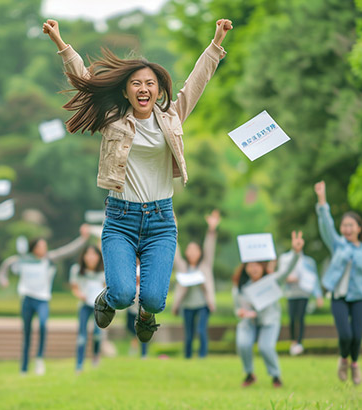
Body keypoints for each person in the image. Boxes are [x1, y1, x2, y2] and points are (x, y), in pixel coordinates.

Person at [43, 17, 233, 343]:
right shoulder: (112, 120)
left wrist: (216, 43)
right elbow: (84, 80)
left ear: (159, 90)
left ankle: (146, 316)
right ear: (126, 91)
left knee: (155, 300)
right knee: (120, 295)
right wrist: (61, 43)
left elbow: (197, 83)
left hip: (161, 221)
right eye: (136, 84)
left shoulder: (172, 117)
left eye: (150, 84)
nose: (143, 89)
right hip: (121, 219)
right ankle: (106, 298)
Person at [0, 225, 90, 375]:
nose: (43, 249)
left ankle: (39, 359)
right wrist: (2, 280)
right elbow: (6, 266)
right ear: (33, 248)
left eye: (44, 246)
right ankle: (24, 367)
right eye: (40, 246)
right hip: (27, 299)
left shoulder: (49, 259)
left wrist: (83, 239)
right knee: (26, 332)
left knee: (42, 325)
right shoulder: (23, 260)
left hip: (42, 300)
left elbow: (67, 250)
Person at [314, 181, 362, 385]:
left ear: (359, 228)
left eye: (351, 225)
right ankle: (344, 359)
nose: (347, 229)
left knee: (357, 337)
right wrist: (322, 200)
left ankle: (355, 364)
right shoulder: (337, 245)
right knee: (345, 335)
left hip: (361, 296)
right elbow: (326, 225)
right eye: (344, 225)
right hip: (339, 296)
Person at [233, 231, 304, 388]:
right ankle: (249, 374)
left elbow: (286, 271)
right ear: (245, 268)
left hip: (269, 320)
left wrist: (296, 253)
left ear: (263, 266)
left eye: (257, 265)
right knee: (243, 344)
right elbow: (237, 309)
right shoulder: (241, 287)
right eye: (250, 265)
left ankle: (275, 376)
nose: (253, 269)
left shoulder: (273, 280)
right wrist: (242, 313)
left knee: (266, 347)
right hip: (248, 322)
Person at [171, 210, 219, 359]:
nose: (192, 252)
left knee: (201, 329)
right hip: (187, 305)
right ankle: (188, 356)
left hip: (203, 304)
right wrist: (173, 228)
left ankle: (203, 356)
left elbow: (210, 248)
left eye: (195, 249)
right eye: (189, 249)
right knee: (189, 332)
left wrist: (211, 229)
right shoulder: (183, 267)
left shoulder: (205, 266)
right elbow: (175, 251)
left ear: (199, 252)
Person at [278, 248, 324, 356]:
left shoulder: (308, 261)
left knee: (301, 317)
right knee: (292, 318)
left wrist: (318, 295)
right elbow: (280, 275)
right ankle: (293, 341)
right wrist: (287, 279)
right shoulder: (285, 258)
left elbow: (314, 278)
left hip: (304, 292)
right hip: (291, 293)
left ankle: (299, 342)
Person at [69, 245, 105, 373]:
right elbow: (74, 287)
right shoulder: (77, 270)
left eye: (93, 254)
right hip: (84, 305)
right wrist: (80, 295)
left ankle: (96, 357)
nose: (90, 258)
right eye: (88, 254)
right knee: (82, 336)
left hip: (98, 307)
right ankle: (79, 364)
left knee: (97, 334)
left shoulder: (103, 271)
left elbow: (106, 288)